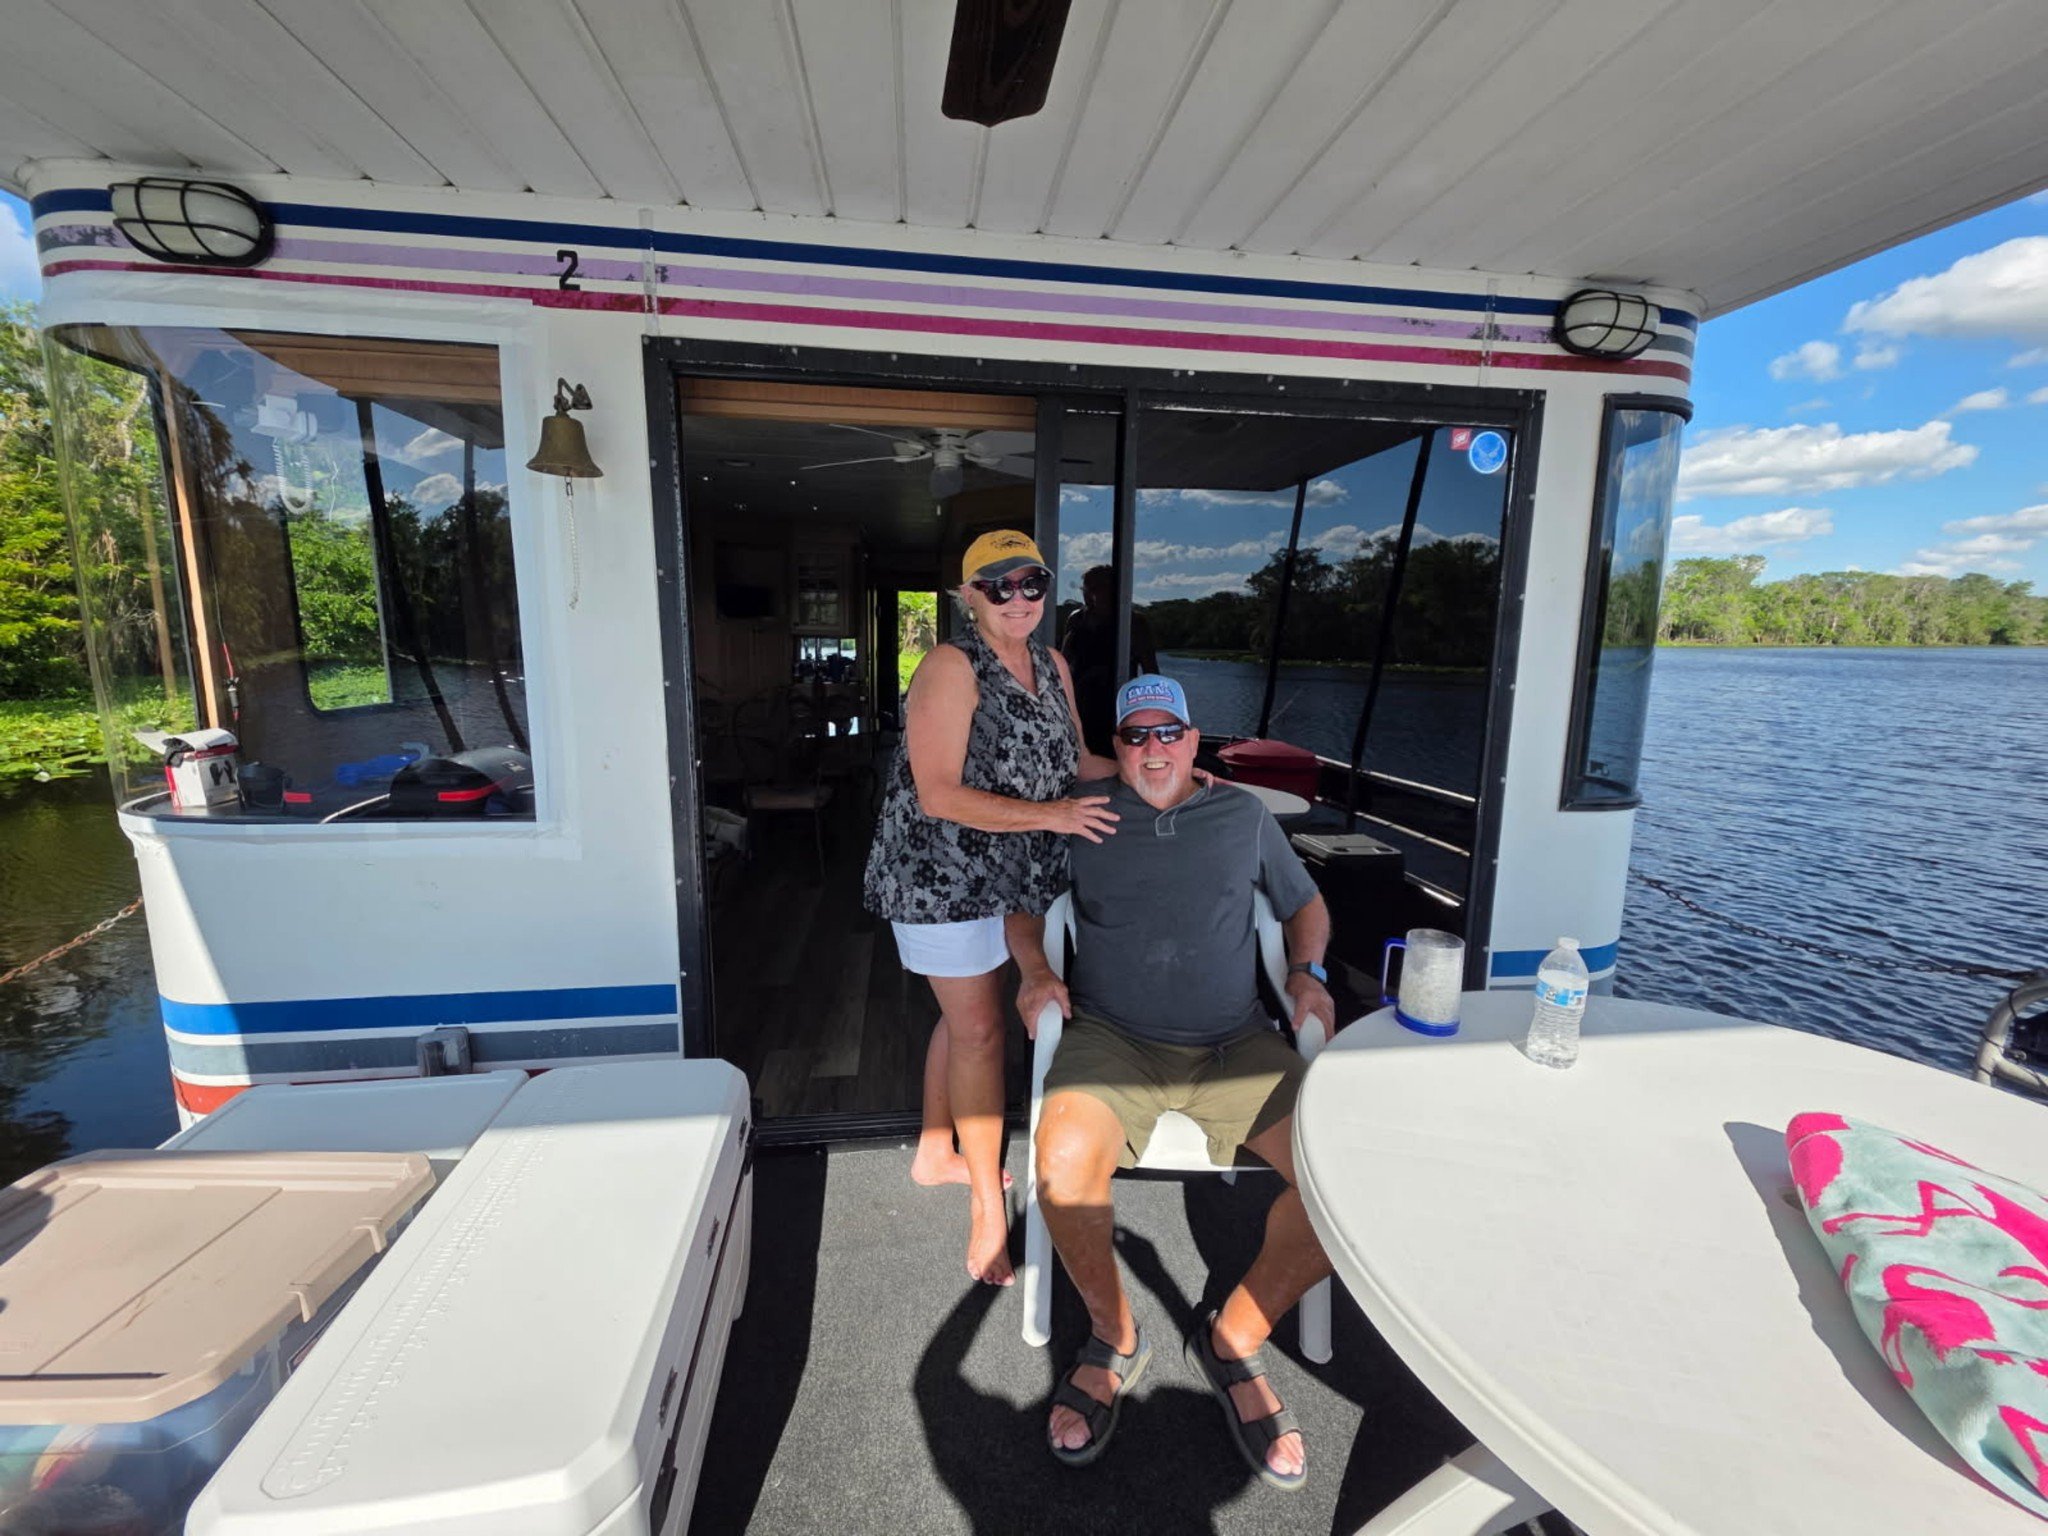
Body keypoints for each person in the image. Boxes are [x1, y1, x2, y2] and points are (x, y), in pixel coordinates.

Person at [1004, 673, 1336, 1489]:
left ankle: (1235, 1337)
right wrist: (1036, 971)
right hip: (1113, 1041)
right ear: (1114, 750)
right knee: (1059, 1168)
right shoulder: (1084, 814)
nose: (1152, 748)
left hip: (1235, 1045)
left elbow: (1306, 906)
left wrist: (1309, 971)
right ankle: (1117, 1336)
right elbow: (1022, 906)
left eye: (1168, 733)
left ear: (1195, 742)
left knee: (1341, 1181)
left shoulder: (1241, 813)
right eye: (1134, 735)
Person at [863, 529, 1122, 1286]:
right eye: (998, 584)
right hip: (939, 873)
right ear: (970, 595)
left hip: (1016, 870)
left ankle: (932, 1150)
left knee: (963, 1020)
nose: (1018, 597)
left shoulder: (1053, 663)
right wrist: (1055, 818)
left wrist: (1157, 770)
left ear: (1047, 588)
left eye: (1031, 581)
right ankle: (984, 1206)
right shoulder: (948, 665)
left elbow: (1077, 763)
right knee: (980, 1029)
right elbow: (938, 792)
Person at [1059, 565, 1158, 757]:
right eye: (1086, 590)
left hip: (1118, 706)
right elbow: (1063, 665)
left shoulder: (1134, 623)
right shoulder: (1077, 619)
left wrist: (1148, 715)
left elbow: (1151, 671)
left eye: (1097, 588)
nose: (1089, 596)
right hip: (1081, 707)